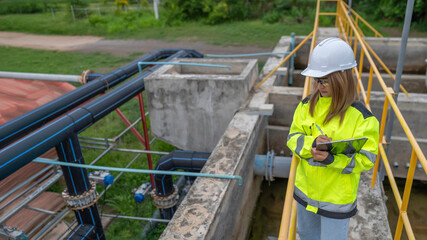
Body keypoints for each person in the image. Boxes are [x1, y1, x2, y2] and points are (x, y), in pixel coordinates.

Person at [286, 37, 379, 240]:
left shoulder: (362, 118)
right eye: (316, 80)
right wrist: (311, 143)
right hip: (305, 194)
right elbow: (293, 137)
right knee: (307, 236)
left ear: (342, 78)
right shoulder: (305, 106)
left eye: (324, 80)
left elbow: (367, 158)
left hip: (336, 201)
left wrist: (331, 159)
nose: (319, 86)